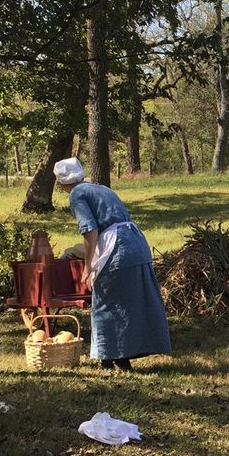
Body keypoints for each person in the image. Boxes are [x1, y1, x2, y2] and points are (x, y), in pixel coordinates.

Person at [53, 157, 171, 369]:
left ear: (61, 183)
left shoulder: (77, 194)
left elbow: (90, 230)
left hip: (116, 248)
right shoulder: (102, 189)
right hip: (136, 243)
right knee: (130, 303)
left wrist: (88, 267)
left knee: (106, 301)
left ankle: (111, 358)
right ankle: (116, 358)